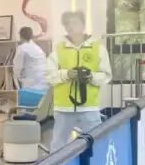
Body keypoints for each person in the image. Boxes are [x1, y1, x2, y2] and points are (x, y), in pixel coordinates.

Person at [46, 10, 112, 151]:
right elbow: (49, 75)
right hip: (63, 108)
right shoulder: (58, 49)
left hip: (89, 107)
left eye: (75, 22)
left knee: (98, 144)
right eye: (67, 24)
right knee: (58, 147)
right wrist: (66, 74)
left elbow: (106, 75)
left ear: (83, 25)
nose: (71, 26)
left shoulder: (98, 48)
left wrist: (91, 77)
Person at [13, 26, 48, 93]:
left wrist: (19, 78)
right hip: (44, 82)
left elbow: (17, 68)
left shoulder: (22, 48)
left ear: (21, 36)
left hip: (30, 83)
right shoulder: (38, 48)